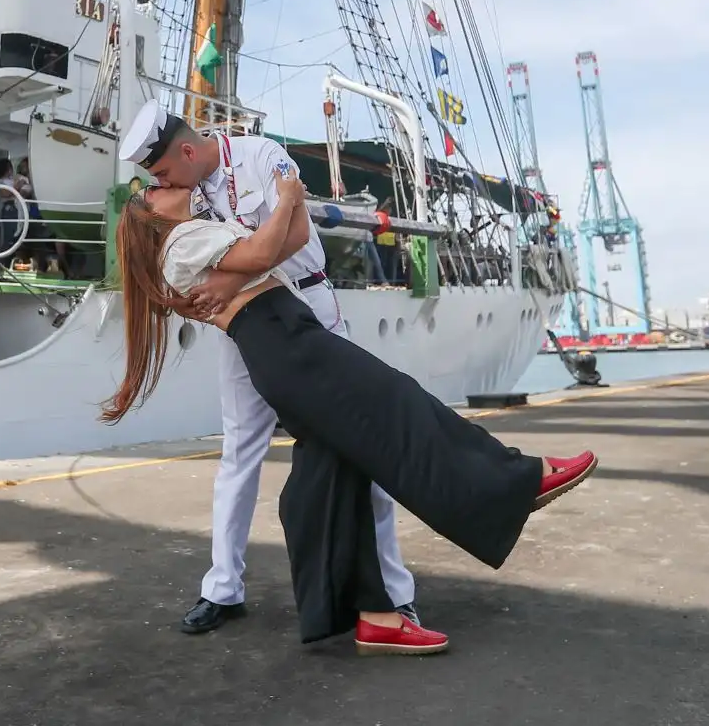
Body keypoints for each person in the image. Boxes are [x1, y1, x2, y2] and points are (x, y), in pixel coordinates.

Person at [107, 174, 597, 654]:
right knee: (399, 401)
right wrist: (288, 197)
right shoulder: (181, 242)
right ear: (151, 216)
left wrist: (277, 225)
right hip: (284, 341)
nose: (164, 184)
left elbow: (276, 249)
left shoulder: (191, 237)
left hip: (285, 337)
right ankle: (517, 480)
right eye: (154, 190)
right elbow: (260, 254)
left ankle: (376, 617)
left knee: (332, 470)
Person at [118, 101, 416, 636]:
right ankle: (222, 588)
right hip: (246, 327)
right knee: (238, 452)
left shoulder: (261, 156)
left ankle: (396, 591)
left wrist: (230, 280)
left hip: (309, 309)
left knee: (363, 442)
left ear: (186, 151)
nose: (159, 183)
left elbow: (295, 234)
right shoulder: (184, 197)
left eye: (161, 171)